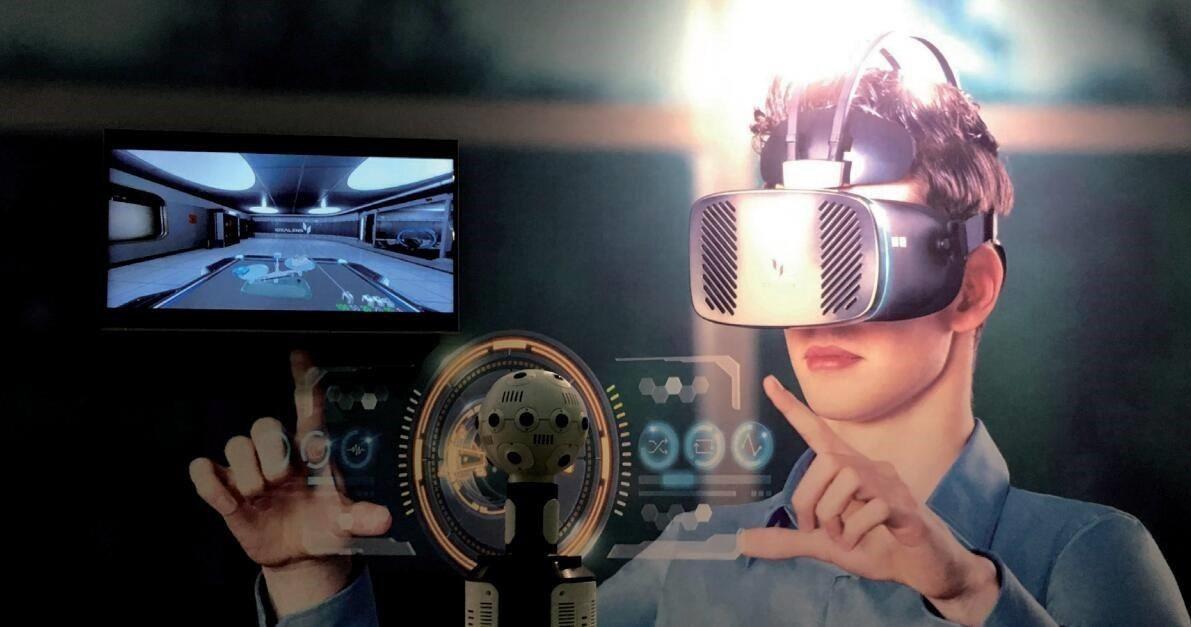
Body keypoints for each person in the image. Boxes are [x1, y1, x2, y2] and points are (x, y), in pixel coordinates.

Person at [190, 68, 1190, 626]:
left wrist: (969, 593)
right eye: (791, 255)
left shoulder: (1083, 557)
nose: (818, 307)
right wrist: (312, 581)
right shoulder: (699, 560)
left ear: (971, 287)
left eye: (857, 252)